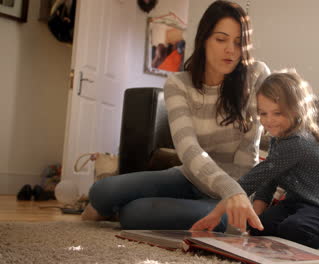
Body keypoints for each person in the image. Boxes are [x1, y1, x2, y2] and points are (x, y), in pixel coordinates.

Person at [81, 0, 270, 232]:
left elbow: (249, 150)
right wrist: (228, 188)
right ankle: (131, 209)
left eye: (239, 43)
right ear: (204, 40)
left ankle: (146, 212)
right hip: (190, 177)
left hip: (235, 192)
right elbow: (188, 149)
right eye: (221, 39)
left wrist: (234, 193)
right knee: (101, 192)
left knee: (134, 215)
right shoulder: (178, 84)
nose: (231, 50)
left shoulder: (256, 74)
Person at [191, 71, 319, 249]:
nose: (269, 121)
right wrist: (257, 221)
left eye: (277, 113)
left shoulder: (298, 142)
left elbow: (252, 179)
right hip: (296, 203)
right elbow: (269, 180)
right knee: (262, 228)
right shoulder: (280, 138)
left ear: (297, 110)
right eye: (263, 113)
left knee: (293, 229)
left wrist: (215, 214)